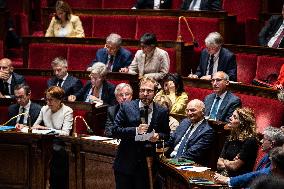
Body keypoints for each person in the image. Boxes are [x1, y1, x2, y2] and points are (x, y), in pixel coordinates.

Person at [111, 77, 170, 189]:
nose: (145, 93)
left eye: (149, 91)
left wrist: (158, 136)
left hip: (147, 165)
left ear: (155, 92)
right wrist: (135, 130)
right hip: (125, 163)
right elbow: (115, 130)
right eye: (142, 90)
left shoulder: (162, 111)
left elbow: (167, 134)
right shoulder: (126, 106)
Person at [214, 126, 284, 188]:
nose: (261, 141)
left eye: (264, 139)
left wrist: (229, 180)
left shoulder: (278, 158)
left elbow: (258, 174)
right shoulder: (267, 155)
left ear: (272, 143)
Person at [166, 99, 215, 166]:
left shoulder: (207, 131)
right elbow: (171, 140)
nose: (189, 113)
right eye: (187, 110)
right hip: (170, 158)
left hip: (186, 163)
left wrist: (173, 162)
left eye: (193, 110)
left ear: (203, 111)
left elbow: (193, 153)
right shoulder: (184, 122)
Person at [217, 107, 258, 177]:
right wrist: (230, 163)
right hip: (222, 175)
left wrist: (225, 162)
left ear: (243, 123)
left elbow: (235, 167)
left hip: (238, 180)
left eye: (235, 117)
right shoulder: (231, 137)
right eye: (232, 115)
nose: (230, 118)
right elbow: (218, 164)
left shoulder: (250, 141)